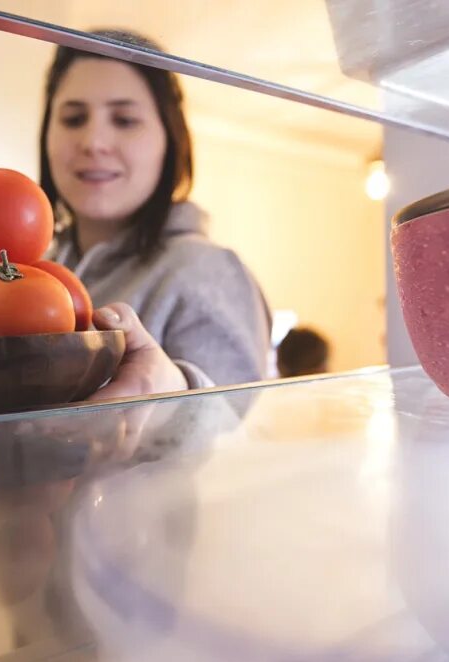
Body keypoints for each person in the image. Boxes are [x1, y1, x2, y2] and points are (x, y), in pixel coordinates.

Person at [40, 29, 272, 401]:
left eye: (125, 120)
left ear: (170, 138)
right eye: (73, 118)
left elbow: (236, 429)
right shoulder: (39, 269)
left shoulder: (205, 270)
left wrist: (177, 388)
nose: (94, 142)